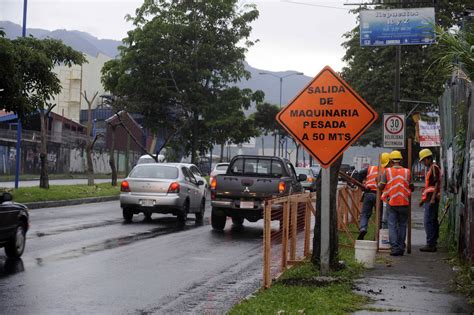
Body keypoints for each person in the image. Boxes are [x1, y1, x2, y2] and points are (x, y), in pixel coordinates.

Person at [379, 150, 414, 256]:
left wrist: (379, 184)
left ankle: (394, 248)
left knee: (392, 225)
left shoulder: (387, 171)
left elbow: (381, 186)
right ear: (401, 160)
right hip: (404, 202)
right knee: (403, 225)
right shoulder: (407, 172)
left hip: (392, 202)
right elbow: (411, 187)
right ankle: (400, 248)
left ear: (391, 160)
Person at [355, 153, 390, 240]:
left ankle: (363, 228)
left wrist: (361, 185)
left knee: (365, 214)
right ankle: (377, 236)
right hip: (379, 195)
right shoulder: (387, 171)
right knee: (379, 216)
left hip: (368, 193)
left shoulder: (371, 168)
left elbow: (359, 174)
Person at [418, 148, 441, 252]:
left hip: (432, 199)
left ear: (428, 159)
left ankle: (430, 244)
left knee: (428, 221)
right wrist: (423, 200)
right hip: (430, 198)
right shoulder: (431, 168)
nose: (423, 163)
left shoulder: (434, 168)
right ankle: (433, 242)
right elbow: (429, 187)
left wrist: (432, 198)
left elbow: (436, 183)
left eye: (423, 160)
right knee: (432, 220)